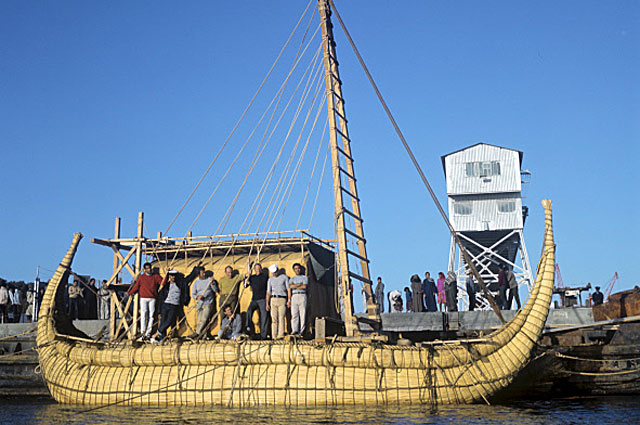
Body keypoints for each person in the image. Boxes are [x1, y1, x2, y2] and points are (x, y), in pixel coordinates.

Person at [152, 267, 198, 343]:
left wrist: (195, 268)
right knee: (163, 321)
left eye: (174, 276)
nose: (173, 277)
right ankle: (162, 338)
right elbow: (160, 299)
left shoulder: (180, 283)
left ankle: (156, 333)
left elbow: (189, 278)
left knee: (169, 321)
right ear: (169, 277)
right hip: (165, 305)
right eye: (171, 276)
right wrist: (159, 311)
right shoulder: (166, 286)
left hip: (174, 305)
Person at [128, 262, 164, 341]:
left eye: (150, 268)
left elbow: (162, 282)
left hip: (152, 298)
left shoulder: (155, 276)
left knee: (151, 316)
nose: (149, 269)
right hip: (143, 298)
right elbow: (136, 286)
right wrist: (129, 292)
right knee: (143, 315)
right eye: (147, 268)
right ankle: (142, 333)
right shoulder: (141, 277)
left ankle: (148, 333)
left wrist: (167, 274)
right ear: (144, 270)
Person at [244, 263, 269, 339]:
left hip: (262, 299)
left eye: (259, 268)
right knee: (249, 311)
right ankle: (249, 329)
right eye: (256, 269)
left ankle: (263, 335)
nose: (257, 270)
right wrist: (246, 276)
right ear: (254, 270)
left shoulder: (265, 277)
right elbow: (245, 285)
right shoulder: (252, 277)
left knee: (264, 316)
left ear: (261, 269)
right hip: (254, 299)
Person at [191, 267, 218, 337]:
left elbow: (215, 290)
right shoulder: (196, 283)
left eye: (204, 272)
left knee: (204, 319)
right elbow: (193, 294)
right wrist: (197, 297)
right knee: (201, 321)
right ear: (198, 274)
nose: (204, 274)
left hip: (208, 303)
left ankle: (197, 333)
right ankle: (204, 335)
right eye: (202, 273)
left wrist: (212, 284)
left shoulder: (209, 280)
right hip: (200, 304)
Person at [266, 264, 289, 339]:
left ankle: (280, 335)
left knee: (281, 317)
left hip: (282, 298)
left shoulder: (284, 278)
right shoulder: (270, 280)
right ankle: (274, 336)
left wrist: (289, 299)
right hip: (273, 299)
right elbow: (268, 292)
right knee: (274, 319)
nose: (274, 274)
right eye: (273, 272)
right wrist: (267, 303)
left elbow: (288, 289)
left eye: (275, 272)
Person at [288, 263, 308, 337]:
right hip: (294, 296)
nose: (297, 270)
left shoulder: (304, 277)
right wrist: (299, 284)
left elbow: (304, 286)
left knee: (302, 314)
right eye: (295, 269)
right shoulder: (292, 279)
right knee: (294, 314)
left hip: (302, 295)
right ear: (293, 270)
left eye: (298, 268)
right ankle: (295, 330)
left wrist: (295, 286)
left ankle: (302, 331)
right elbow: (290, 286)